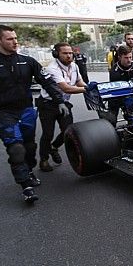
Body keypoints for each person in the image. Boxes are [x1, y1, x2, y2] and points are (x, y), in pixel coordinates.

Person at [0, 25, 67, 203]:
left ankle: (29, 170)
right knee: (16, 149)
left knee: (30, 147)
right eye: (9, 39)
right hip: (3, 113)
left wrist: (59, 101)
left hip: (27, 110)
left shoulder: (28, 61)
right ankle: (26, 186)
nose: (15, 42)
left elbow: (47, 81)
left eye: (15, 38)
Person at [37, 43, 87, 172]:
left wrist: (88, 86)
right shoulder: (52, 68)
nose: (69, 56)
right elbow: (65, 88)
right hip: (48, 104)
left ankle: (53, 147)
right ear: (56, 54)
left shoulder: (74, 66)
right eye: (65, 53)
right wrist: (86, 90)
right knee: (47, 133)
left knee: (68, 131)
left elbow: (79, 82)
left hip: (64, 103)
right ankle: (44, 160)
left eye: (70, 53)